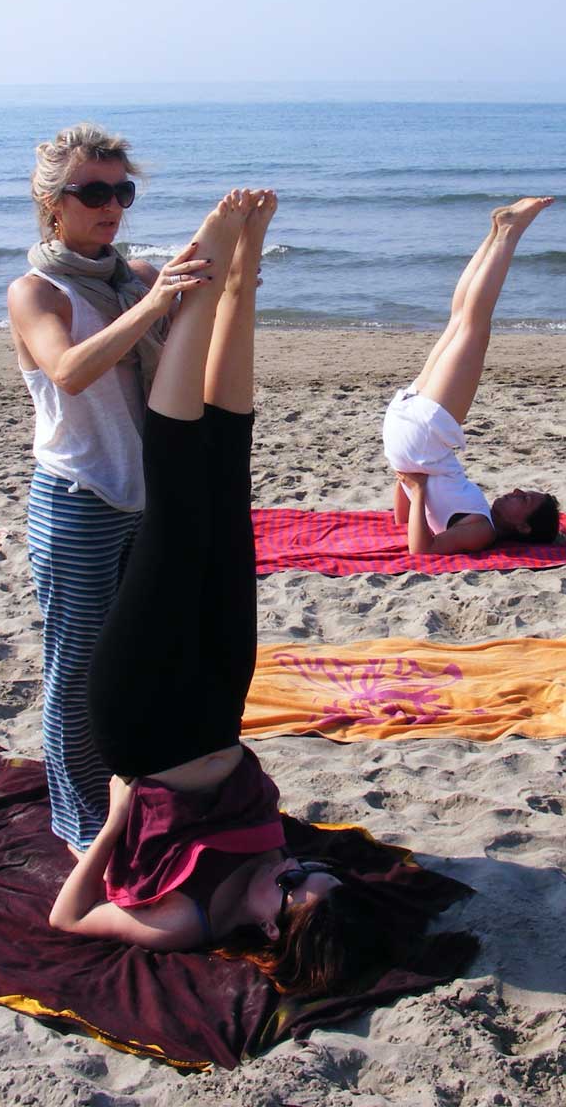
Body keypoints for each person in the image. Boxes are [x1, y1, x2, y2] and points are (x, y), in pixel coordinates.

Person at [49, 189, 391, 995]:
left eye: (292, 883)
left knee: (176, 500)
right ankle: (241, 275)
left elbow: (68, 918)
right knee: (227, 473)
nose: (292, 862)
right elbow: (279, 855)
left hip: (144, 723)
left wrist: (114, 824)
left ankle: (197, 280)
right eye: (312, 870)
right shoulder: (275, 862)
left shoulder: (185, 922)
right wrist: (286, 860)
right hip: (219, 702)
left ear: (272, 926)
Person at [8, 122, 206, 854]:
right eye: (94, 192)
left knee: (139, 659)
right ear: (53, 202)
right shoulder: (38, 291)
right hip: (79, 499)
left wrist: (200, 281)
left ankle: (135, 798)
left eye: (121, 191)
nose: (112, 206)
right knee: (78, 669)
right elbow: (69, 370)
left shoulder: (136, 279)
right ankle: (81, 825)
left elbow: (188, 354)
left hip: (144, 496)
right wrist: (155, 307)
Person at [384, 197, 561, 556]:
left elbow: (422, 550)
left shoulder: (483, 531)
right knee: (461, 321)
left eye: (523, 499)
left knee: (474, 327)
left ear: (523, 527)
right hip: (403, 431)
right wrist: (408, 479)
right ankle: (496, 232)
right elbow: (401, 520)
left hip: (420, 438)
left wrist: (417, 491)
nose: (514, 491)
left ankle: (507, 232)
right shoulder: (474, 513)